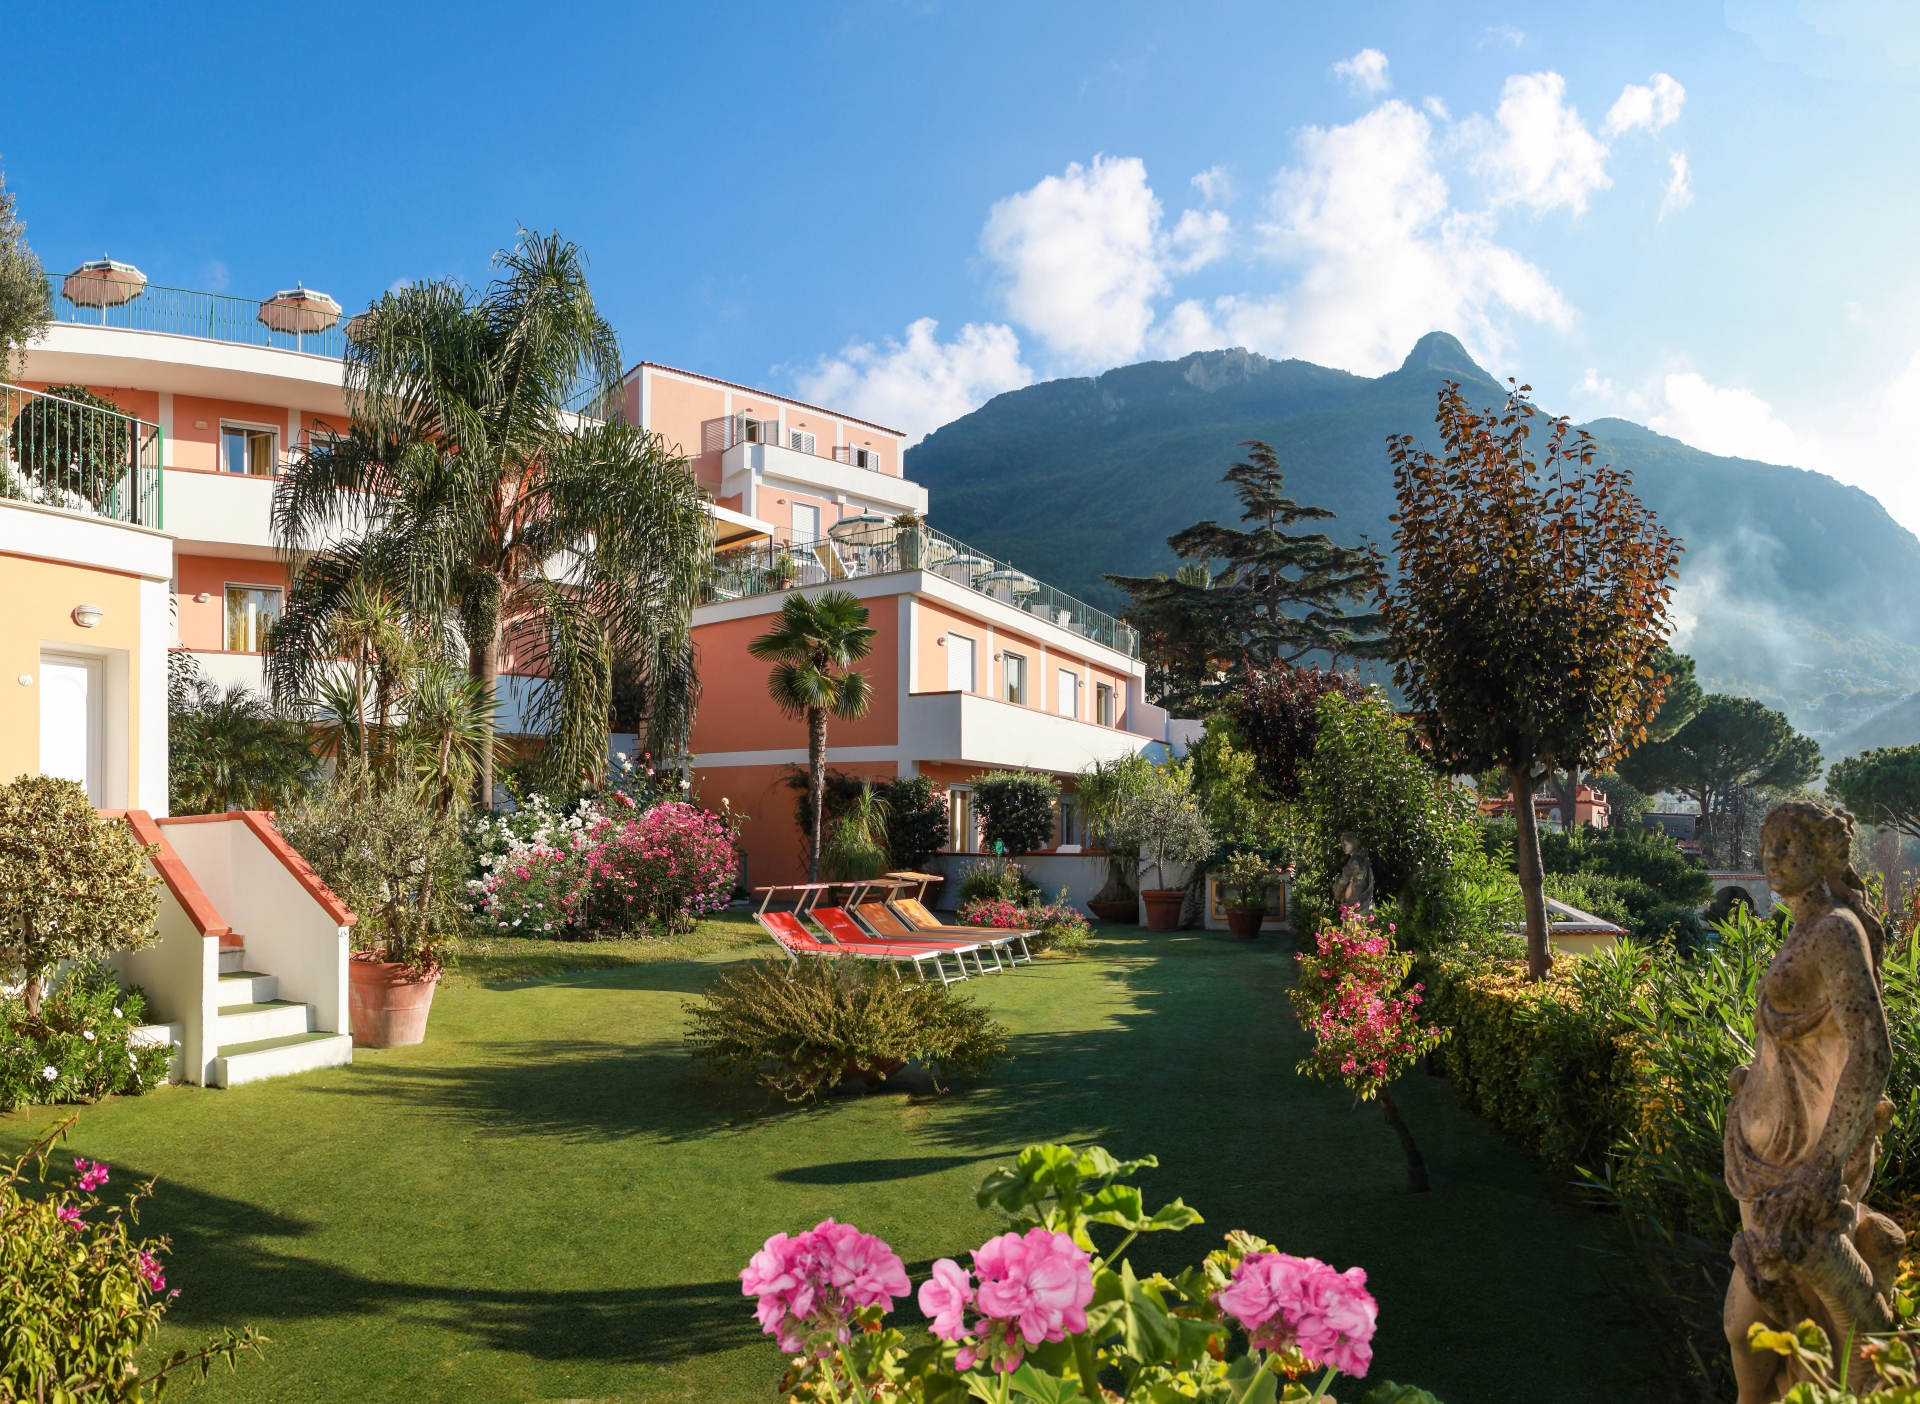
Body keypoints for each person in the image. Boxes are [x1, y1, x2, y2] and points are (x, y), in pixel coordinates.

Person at [1724, 801, 1903, 1402]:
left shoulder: (1834, 931)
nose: (1771, 857)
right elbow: (1809, 1045)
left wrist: (1824, 1167)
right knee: (1761, 1329)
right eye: (1767, 844)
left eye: (1787, 844)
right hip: (1766, 1159)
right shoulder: (1807, 928)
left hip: (1802, 1165)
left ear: (1823, 852)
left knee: (1776, 1327)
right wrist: (1755, 1078)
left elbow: (1872, 1053)